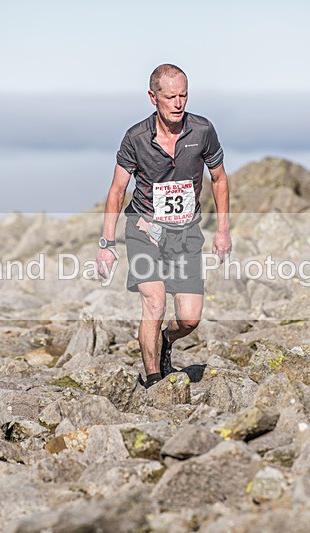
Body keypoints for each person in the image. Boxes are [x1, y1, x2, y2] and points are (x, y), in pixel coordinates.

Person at [96, 64, 231, 388]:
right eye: (170, 96)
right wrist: (107, 244)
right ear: (152, 97)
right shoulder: (135, 138)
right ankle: (155, 381)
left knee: (189, 318)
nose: (178, 103)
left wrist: (223, 231)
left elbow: (219, 178)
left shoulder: (202, 131)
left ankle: (166, 341)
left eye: (183, 95)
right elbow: (117, 191)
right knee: (154, 303)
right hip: (144, 231)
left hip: (184, 234)